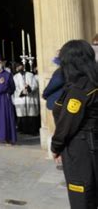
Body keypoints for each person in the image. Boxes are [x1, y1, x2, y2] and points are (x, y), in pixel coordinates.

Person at [51, 40, 98, 208]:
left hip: (81, 150)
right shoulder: (91, 83)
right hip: (91, 145)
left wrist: (56, 146)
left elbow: (67, 124)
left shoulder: (79, 90)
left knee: (82, 199)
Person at [13, 63, 40, 135]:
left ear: (23, 67)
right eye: (18, 67)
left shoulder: (30, 75)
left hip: (30, 98)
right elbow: (15, 87)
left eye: (21, 66)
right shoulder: (15, 77)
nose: (20, 68)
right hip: (20, 99)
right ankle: (23, 130)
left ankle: (33, 130)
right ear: (16, 68)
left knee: (31, 115)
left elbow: (35, 85)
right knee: (22, 115)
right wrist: (22, 91)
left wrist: (29, 88)